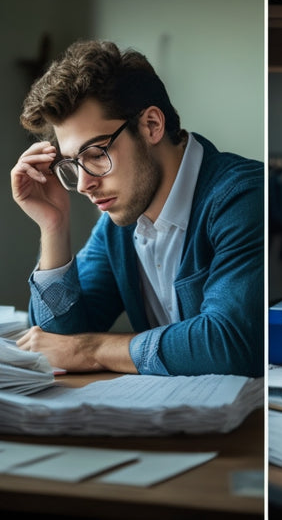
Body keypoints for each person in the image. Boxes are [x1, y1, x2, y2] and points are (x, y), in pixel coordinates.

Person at [11, 40, 264, 377]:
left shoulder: (242, 196)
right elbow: (57, 344)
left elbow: (230, 344)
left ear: (151, 126)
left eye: (97, 155)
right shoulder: (117, 227)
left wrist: (93, 349)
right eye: (73, 164)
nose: (84, 185)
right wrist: (54, 226)